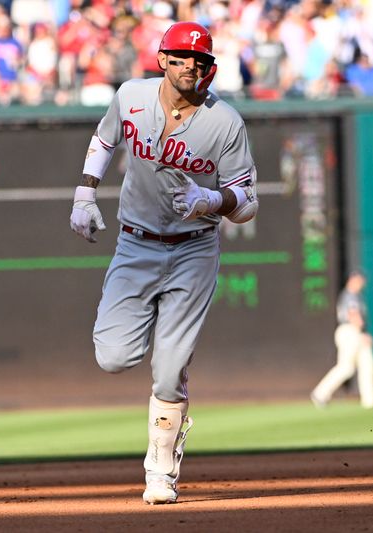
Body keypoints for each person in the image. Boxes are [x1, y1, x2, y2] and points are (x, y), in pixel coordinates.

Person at [68, 21, 259, 505]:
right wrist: (84, 193)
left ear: (209, 67)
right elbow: (105, 139)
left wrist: (211, 199)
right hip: (135, 244)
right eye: (179, 57)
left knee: (170, 367)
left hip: (194, 247)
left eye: (198, 59)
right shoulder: (131, 95)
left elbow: (248, 201)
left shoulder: (225, 121)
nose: (189, 65)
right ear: (162, 60)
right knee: (113, 357)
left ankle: (161, 470)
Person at [310, 271, 373, 409]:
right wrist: (362, 333)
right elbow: (353, 315)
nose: (361, 284)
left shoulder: (356, 296)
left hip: (354, 332)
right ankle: (320, 394)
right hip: (350, 331)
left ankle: (370, 400)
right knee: (346, 367)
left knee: (368, 364)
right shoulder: (350, 296)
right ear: (352, 280)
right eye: (359, 281)